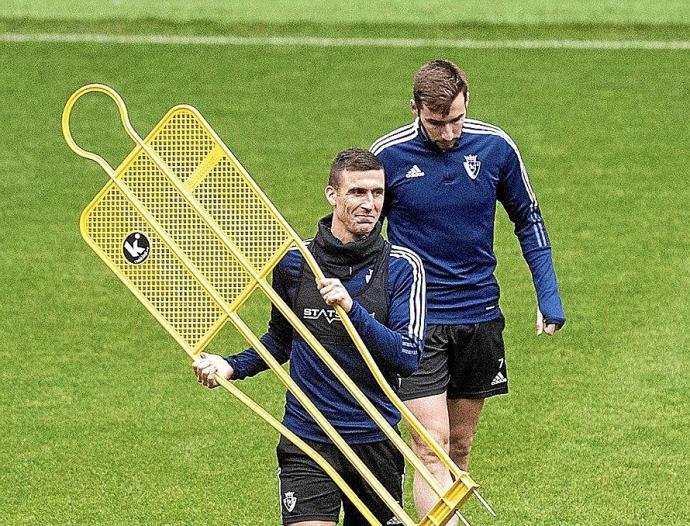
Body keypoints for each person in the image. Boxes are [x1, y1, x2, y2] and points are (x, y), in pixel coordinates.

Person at [370, 60, 566, 520]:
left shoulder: (495, 147)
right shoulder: (389, 156)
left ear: (466, 103)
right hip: (415, 322)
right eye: (437, 123)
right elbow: (362, 235)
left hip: (479, 316)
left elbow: (527, 218)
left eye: (456, 119)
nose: (449, 133)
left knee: (459, 447)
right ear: (415, 108)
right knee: (428, 444)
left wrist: (548, 294)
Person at [192, 148, 426, 526]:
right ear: (332, 195)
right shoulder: (294, 263)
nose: (369, 204)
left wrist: (353, 311)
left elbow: (407, 356)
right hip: (308, 436)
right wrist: (232, 365)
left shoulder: (401, 267)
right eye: (357, 193)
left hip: (374, 438)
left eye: (377, 193)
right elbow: (281, 339)